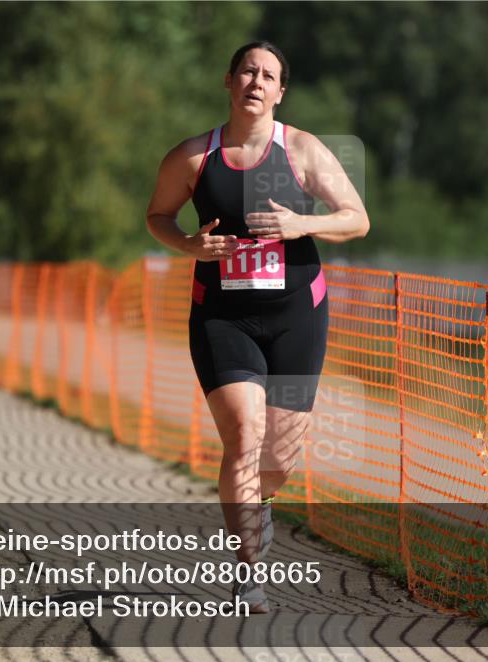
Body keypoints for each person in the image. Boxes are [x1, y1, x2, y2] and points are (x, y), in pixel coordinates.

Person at [145, 41, 369, 612]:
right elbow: (158, 217)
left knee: (278, 460)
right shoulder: (194, 158)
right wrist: (189, 244)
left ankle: (259, 504)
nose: (257, 81)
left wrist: (300, 223)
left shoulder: (301, 150)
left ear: (280, 92)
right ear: (229, 81)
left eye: (269, 75)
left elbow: (357, 219)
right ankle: (249, 574)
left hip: (298, 318)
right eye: (248, 70)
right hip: (224, 316)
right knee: (244, 435)